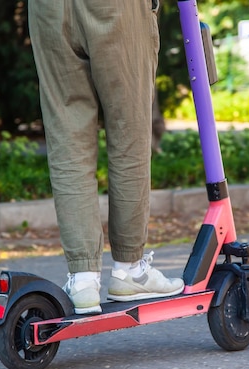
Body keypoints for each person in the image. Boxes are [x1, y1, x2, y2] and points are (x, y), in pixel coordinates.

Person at [28, 0, 184, 314]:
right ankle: (130, 269)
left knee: (67, 139)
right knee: (129, 132)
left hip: (49, 9)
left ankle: (83, 277)